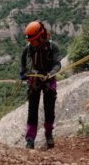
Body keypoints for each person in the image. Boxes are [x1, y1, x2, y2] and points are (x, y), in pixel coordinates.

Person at [19, 21, 61, 149]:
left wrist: (51, 73)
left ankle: (48, 134)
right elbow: (23, 62)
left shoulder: (52, 46)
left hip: (48, 80)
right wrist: (24, 73)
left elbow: (57, 64)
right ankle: (30, 139)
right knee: (32, 111)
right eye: (31, 41)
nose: (32, 43)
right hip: (34, 80)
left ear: (41, 36)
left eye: (34, 40)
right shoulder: (29, 47)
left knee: (49, 111)